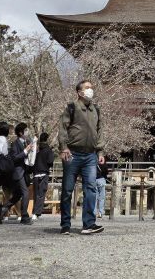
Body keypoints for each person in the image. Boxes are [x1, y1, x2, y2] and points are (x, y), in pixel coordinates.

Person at [58, 80, 105, 235]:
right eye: (87, 88)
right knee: (67, 189)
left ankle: (89, 224)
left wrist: (100, 151)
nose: (90, 90)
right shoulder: (71, 108)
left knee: (91, 188)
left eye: (91, 87)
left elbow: (100, 131)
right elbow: (63, 128)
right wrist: (63, 147)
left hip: (90, 154)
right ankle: (65, 224)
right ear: (79, 92)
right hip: (72, 152)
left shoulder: (96, 109)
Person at [3, 122, 33, 224]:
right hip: (18, 172)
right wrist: (25, 151)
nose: (27, 132)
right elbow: (14, 158)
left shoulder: (26, 142)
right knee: (25, 193)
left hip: (24, 172)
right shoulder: (15, 143)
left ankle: (1, 210)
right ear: (20, 133)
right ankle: (24, 216)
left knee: (17, 195)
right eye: (26, 130)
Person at [32, 131, 55, 221]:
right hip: (44, 173)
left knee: (36, 194)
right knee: (41, 194)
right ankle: (36, 213)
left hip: (35, 174)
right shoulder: (48, 150)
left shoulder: (36, 150)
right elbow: (50, 162)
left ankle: (34, 212)